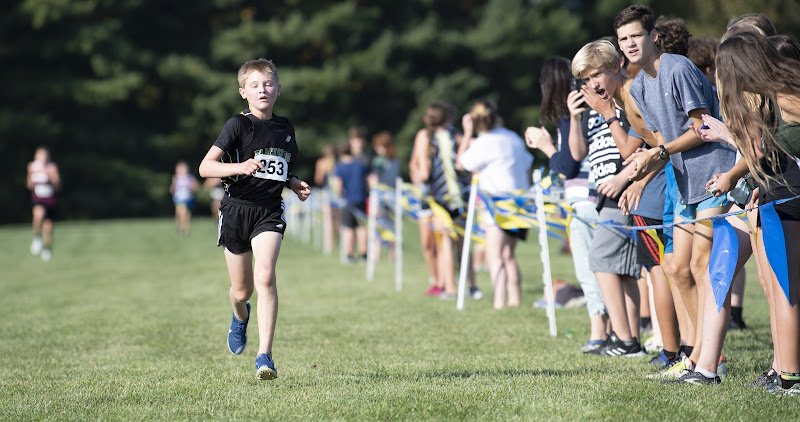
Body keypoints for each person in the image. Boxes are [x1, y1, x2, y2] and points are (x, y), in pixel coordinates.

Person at [615, 4, 736, 382]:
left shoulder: (678, 68)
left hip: (714, 174)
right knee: (676, 268)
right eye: (623, 39)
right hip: (683, 184)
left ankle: (708, 359)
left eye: (636, 35)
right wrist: (639, 174)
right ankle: (697, 352)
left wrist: (659, 153)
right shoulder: (638, 86)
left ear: (652, 36)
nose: (630, 44)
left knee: (702, 266)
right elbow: (663, 143)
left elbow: (702, 128)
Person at [198, 58, 311, 381]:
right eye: (255, 85)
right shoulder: (237, 125)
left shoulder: (285, 127)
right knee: (242, 291)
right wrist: (238, 167)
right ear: (243, 92)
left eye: (268, 84)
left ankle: (265, 355)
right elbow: (205, 168)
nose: (262, 90)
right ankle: (239, 315)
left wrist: (293, 183)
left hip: (269, 212)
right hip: (236, 210)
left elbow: (280, 166)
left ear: (278, 89)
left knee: (265, 278)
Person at [708, 31, 800, 394]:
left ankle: (791, 377)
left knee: (787, 290)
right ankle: (783, 371)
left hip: (790, 200)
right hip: (773, 196)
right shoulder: (771, 99)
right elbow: (769, 152)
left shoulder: (788, 96)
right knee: (778, 289)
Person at [525, 56, 609, 352]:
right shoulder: (593, 107)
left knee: (590, 270)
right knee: (608, 269)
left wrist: (546, 146)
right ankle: (615, 331)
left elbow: (567, 166)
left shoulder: (570, 113)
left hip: (583, 199)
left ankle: (599, 332)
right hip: (600, 195)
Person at [566, 40, 644, 355]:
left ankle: (624, 339)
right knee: (623, 271)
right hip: (603, 193)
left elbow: (643, 142)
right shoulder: (597, 108)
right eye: (585, 80)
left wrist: (626, 178)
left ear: (615, 67)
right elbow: (576, 155)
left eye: (596, 75)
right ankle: (629, 339)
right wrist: (575, 117)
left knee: (600, 260)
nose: (592, 84)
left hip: (623, 191)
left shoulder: (626, 100)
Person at [458, 99, 533, 309]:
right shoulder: (513, 138)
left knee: (495, 256)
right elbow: (527, 166)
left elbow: (460, 163)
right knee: (509, 254)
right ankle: (515, 299)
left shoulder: (483, 142)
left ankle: (500, 302)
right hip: (519, 202)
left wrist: (466, 133)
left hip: (496, 204)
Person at [412, 101, 480, 300]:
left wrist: (416, 171)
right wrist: (469, 131)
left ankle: (450, 289)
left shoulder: (424, 136)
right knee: (463, 243)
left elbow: (424, 173)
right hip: (461, 197)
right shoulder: (457, 136)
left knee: (445, 244)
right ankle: (472, 286)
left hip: (439, 198)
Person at [335, 141, 370, 263]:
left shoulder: (340, 167)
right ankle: (364, 254)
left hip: (347, 200)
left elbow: (338, 186)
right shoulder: (360, 165)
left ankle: (350, 254)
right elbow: (366, 182)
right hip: (361, 198)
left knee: (348, 228)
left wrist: (339, 196)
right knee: (361, 227)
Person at [26, 146, 60, 262]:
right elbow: (29, 184)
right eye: (40, 155)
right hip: (38, 198)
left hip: (49, 199)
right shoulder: (32, 167)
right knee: (38, 215)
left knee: (48, 227)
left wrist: (50, 176)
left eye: (44, 155)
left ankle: (48, 248)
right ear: (36, 156)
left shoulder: (52, 167)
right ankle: (37, 238)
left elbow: (57, 185)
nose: (42, 158)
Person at [314, 143, 339, 253]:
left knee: (328, 221)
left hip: (327, 192)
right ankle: (339, 244)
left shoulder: (321, 163)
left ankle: (329, 246)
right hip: (337, 193)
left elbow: (318, 179)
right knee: (338, 221)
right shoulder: (338, 163)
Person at [170, 160, 199, 236]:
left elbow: (196, 187)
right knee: (179, 213)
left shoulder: (190, 177)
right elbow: (172, 189)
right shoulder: (175, 178)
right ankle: (181, 227)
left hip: (188, 198)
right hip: (178, 198)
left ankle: (185, 228)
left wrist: (192, 187)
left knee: (186, 214)